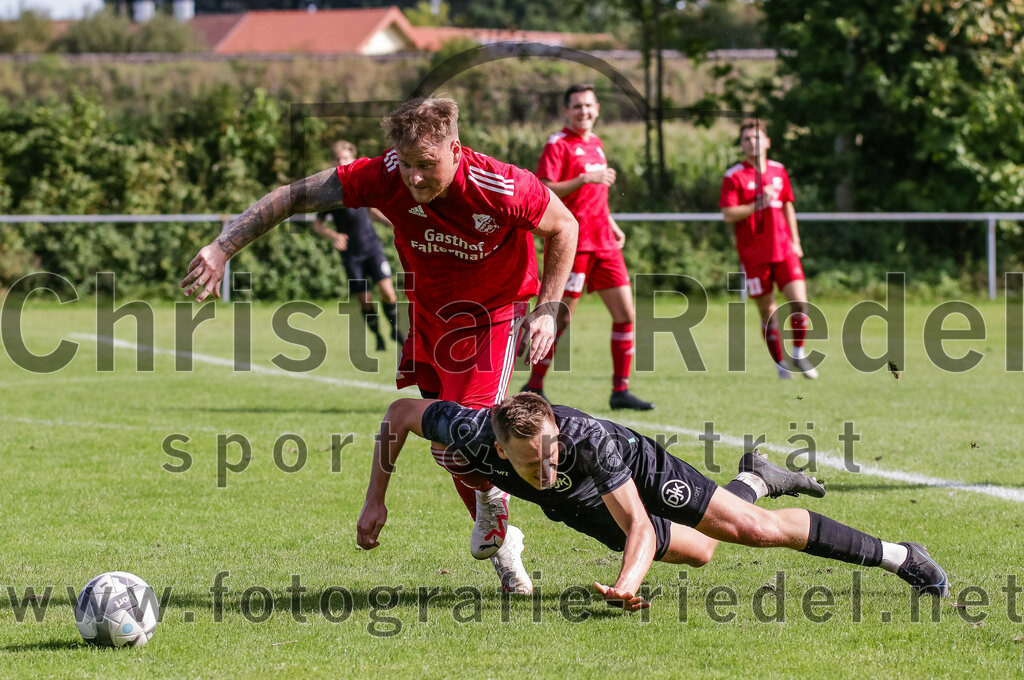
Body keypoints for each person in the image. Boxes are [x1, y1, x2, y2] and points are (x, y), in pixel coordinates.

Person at [182, 98, 579, 594]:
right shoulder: (384, 174)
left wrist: (547, 306)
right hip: (429, 317)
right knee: (446, 439)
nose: (413, 178)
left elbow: (564, 225)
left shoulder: (499, 184)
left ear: (455, 150)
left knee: (460, 436)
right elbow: (291, 197)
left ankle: (537, 506)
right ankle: (504, 544)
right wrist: (222, 247)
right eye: (407, 164)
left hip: (491, 317)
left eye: (426, 164)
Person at [358, 393, 949, 611]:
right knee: (703, 555)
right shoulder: (467, 430)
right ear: (499, 445)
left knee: (754, 530)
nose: (546, 467)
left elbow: (637, 524)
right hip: (583, 509)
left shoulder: (586, 446)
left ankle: (903, 557)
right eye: (531, 463)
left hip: (637, 474)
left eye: (551, 455)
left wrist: (626, 584)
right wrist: (375, 501)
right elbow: (400, 413)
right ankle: (758, 475)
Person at [522, 84, 654, 410]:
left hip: (604, 243)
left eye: (589, 106)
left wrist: (610, 222)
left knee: (626, 314)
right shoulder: (558, 143)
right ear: (566, 111)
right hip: (574, 246)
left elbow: (597, 198)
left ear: (597, 109)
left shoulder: (596, 143)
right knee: (560, 317)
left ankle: (620, 391)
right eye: (577, 106)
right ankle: (534, 385)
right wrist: (583, 179)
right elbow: (545, 189)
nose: (584, 112)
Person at [720, 118, 818, 379]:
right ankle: (780, 363)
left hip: (784, 249)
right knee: (768, 311)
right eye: (747, 139)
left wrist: (796, 241)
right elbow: (728, 213)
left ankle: (798, 352)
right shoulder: (734, 176)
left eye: (757, 137)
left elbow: (787, 205)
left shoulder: (778, 170)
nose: (752, 142)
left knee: (800, 302)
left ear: (767, 141)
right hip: (754, 256)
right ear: (742, 144)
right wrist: (757, 205)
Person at [313, 140, 403, 351]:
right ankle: (378, 336)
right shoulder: (331, 194)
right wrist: (333, 235)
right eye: (338, 159)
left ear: (353, 159)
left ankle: (394, 329)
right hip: (351, 255)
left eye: (345, 158)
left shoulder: (363, 186)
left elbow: (372, 212)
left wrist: (395, 224)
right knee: (365, 300)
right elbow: (318, 225)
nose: (341, 162)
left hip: (372, 248)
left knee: (389, 293)